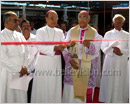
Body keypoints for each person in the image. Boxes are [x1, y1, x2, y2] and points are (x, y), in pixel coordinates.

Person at [62, 10, 102, 103]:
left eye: (85, 17)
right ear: (78, 19)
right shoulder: (71, 31)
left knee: (84, 91)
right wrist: (68, 47)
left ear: (89, 19)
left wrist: (89, 45)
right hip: (73, 65)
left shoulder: (94, 33)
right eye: (80, 17)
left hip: (86, 66)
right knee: (71, 90)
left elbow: (96, 50)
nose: (82, 19)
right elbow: (64, 46)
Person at [31, 10, 67, 103]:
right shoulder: (40, 31)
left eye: (56, 18)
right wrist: (55, 47)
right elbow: (40, 47)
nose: (54, 20)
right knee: (43, 85)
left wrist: (67, 45)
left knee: (54, 85)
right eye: (52, 18)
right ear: (46, 19)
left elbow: (64, 45)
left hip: (56, 62)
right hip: (43, 62)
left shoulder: (59, 32)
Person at [99, 14, 129, 103]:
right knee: (109, 81)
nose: (117, 24)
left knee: (120, 81)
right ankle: (108, 100)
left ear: (122, 23)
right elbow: (103, 47)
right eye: (115, 22)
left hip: (122, 62)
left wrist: (121, 51)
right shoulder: (108, 34)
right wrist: (112, 50)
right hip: (110, 61)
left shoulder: (127, 35)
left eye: (119, 22)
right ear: (113, 23)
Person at [1, 11, 29, 103]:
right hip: (8, 73)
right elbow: (2, 58)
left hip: (21, 73)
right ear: (6, 22)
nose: (18, 23)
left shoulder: (19, 35)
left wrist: (24, 67)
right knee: (10, 98)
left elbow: (26, 51)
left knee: (21, 98)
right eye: (15, 21)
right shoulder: (2, 36)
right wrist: (19, 69)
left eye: (18, 20)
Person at [21, 19, 38, 103]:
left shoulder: (36, 39)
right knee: (20, 95)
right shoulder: (18, 39)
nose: (26, 27)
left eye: (28, 26)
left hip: (31, 73)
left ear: (31, 27)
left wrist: (30, 69)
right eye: (24, 26)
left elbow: (37, 56)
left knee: (30, 95)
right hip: (19, 72)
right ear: (21, 28)